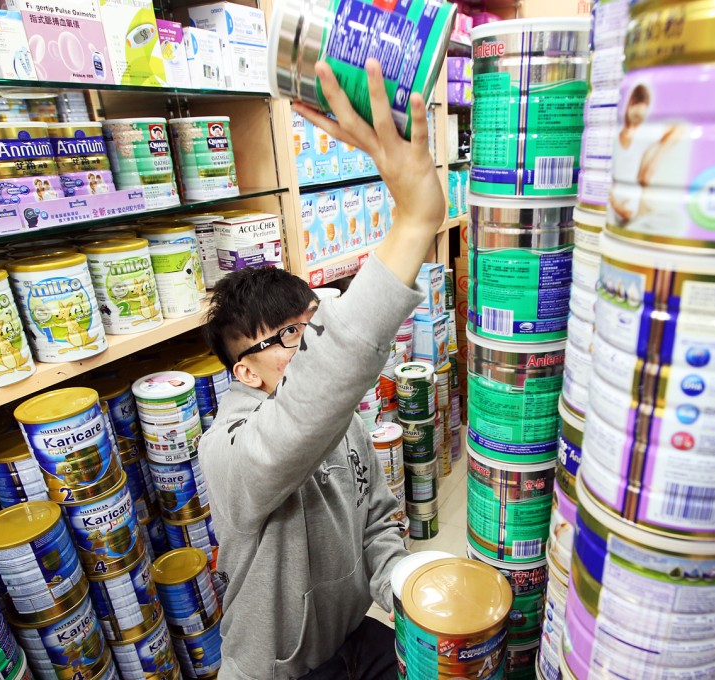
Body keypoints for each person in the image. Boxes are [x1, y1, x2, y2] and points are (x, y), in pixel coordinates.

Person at [198, 58, 446, 680]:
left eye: (312, 323)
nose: (309, 345)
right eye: (289, 338)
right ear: (245, 373)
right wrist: (413, 222)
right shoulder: (226, 454)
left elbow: (376, 520)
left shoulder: (346, 424)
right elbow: (307, 401)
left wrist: (405, 582)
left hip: (354, 637)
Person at [609, 84, 685, 225]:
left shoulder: (644, 135)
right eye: (636, 112)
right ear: (629, 106)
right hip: (613, 213)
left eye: (641, 116)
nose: (638, 120)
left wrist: (654, 160)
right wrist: (615, 205)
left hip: (632, 216)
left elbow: (678, 128)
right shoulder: (614, 135)